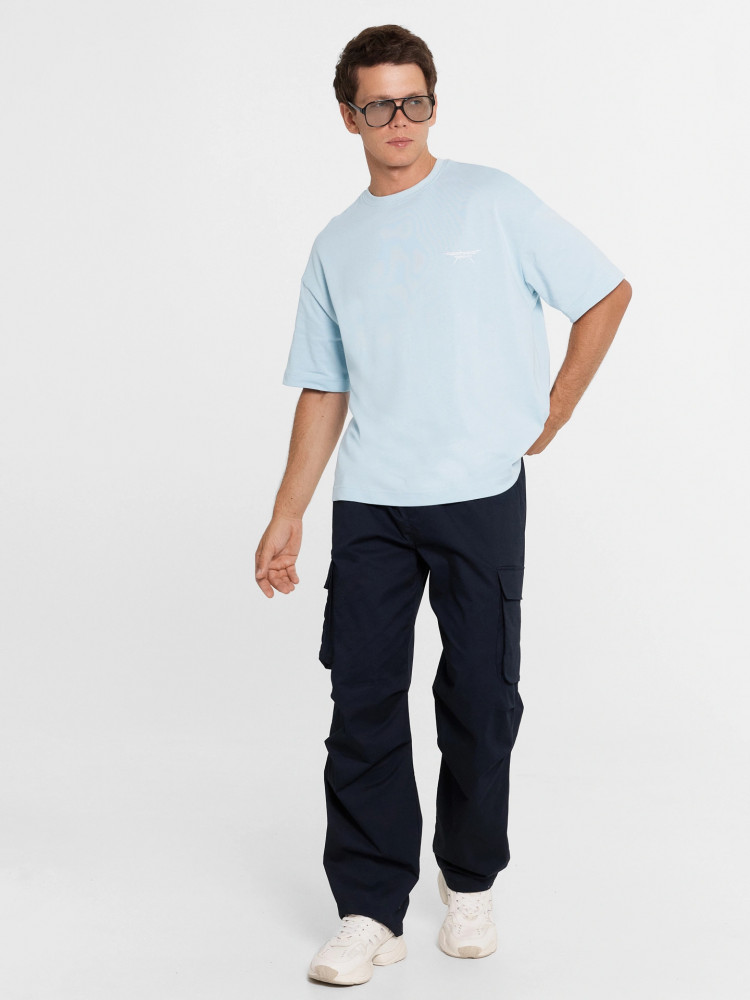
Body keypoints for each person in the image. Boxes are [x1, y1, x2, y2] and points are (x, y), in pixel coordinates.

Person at [255, 23, 632, 987]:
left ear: (433, 104)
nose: (400, 120)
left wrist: (555, 406)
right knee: (362, 699)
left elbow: (604, 291)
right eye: (379, 104)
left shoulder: (491, 200)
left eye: (415, 100)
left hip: (479, 494)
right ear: (349, 117)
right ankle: (370, 909)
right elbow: (325, 387)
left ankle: (468, 882)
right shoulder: (336, 244)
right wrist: (289, 511)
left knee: (479, 698)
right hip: (372, 502)